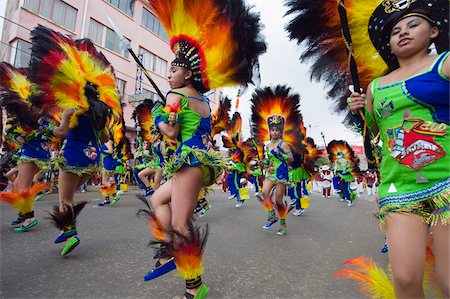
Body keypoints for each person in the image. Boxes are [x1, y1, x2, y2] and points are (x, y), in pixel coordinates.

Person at [138, 0, 266, 298]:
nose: (169, 74)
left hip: (188, 162)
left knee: (182, 223)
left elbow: (170, 131)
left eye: (174, 69)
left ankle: (194, 286)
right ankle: (170, 249)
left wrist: (158, 113)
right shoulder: (204, 101)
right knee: (158, 198)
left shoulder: (173, 94)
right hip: (202, 164)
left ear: (188, 74)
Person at [347, 1, 449, 296]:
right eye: (395, 31)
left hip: (448, 178)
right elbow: (373, 133)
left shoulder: (444, 63)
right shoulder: (376, 86)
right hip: (399, 186)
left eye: (413, 25)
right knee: (404, 279)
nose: (403, 32)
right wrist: (359, 112)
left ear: (433, 31)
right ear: (388, 46)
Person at [29, 25, 121, 256]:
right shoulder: (101, 112)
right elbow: (105, 136)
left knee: (65, 198)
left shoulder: (73, 110)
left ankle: (71, 233)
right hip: (92, 160)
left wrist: (51, 128)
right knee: (68, 196)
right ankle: (66, 228)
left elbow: (61, 134)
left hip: (72, 156)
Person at [251, 86, 303, 236]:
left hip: (281, 173)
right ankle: (271, 215)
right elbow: (268, 161)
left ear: (281, 131)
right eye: (272, 129)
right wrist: (263, 164)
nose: (274, 132)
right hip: (271, 172)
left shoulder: (283, 144)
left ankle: (282, 224)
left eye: (277, 130)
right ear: (270, 131)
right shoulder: (267, 145)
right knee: (264, 192)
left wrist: (280, 153)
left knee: (279, 200)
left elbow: (291, 159)